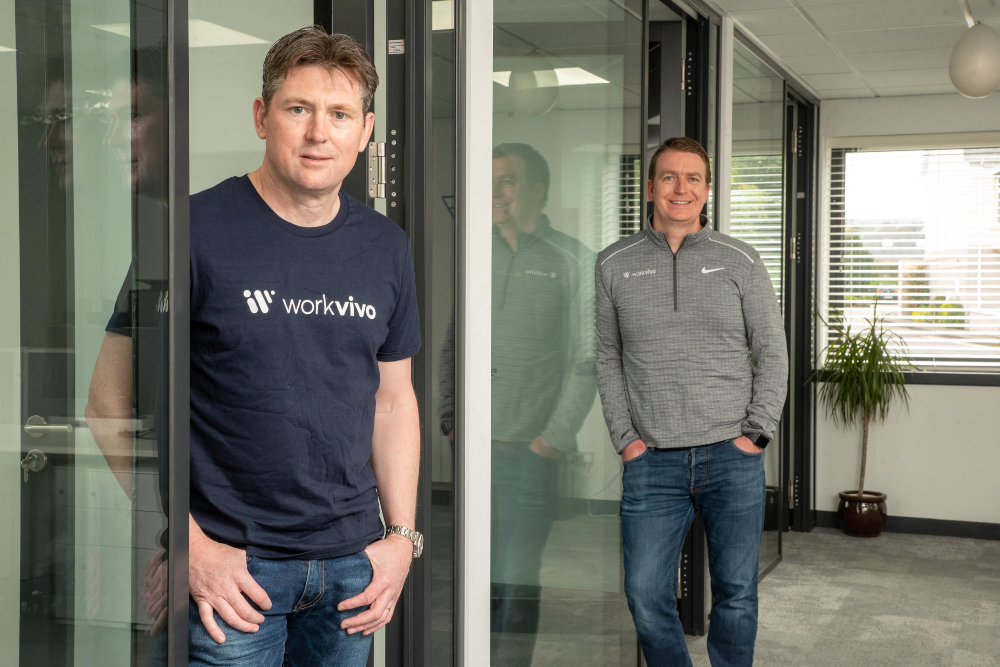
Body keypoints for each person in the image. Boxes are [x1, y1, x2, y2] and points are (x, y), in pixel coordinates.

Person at [93, 26, 423, 666]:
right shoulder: (189, 232)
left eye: (339, 114)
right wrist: (189, 543)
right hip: (232, 576)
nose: (318, 132)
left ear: (366, 129)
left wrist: (401, 540)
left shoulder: (387, 247)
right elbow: (110, 404)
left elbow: (395, 402)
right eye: (298, 109)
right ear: (261, 117)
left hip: (352, 575)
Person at [595, 137, 787, 667]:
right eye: (670, 177)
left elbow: (772, 352)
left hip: (732, 455)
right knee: (644, 593)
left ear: (707, 189)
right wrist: (625, 439)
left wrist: (757, 434)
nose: (681, 189)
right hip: (651, 460)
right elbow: (608, 358)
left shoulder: (740, 260)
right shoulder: (614, 263)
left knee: (737, 592)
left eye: (693, 178)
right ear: (651, 187)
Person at [439, 143, 597, 666]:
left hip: (530, 456)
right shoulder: (474, 252)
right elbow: (451, 342)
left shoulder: (573, 259)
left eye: (506, 181)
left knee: (517, 576)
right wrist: (450, 417)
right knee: (473, 575)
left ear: (537, 191)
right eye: (489, 182)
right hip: (475, 451)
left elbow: (587, 361)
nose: (495, 193)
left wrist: (550, 439)